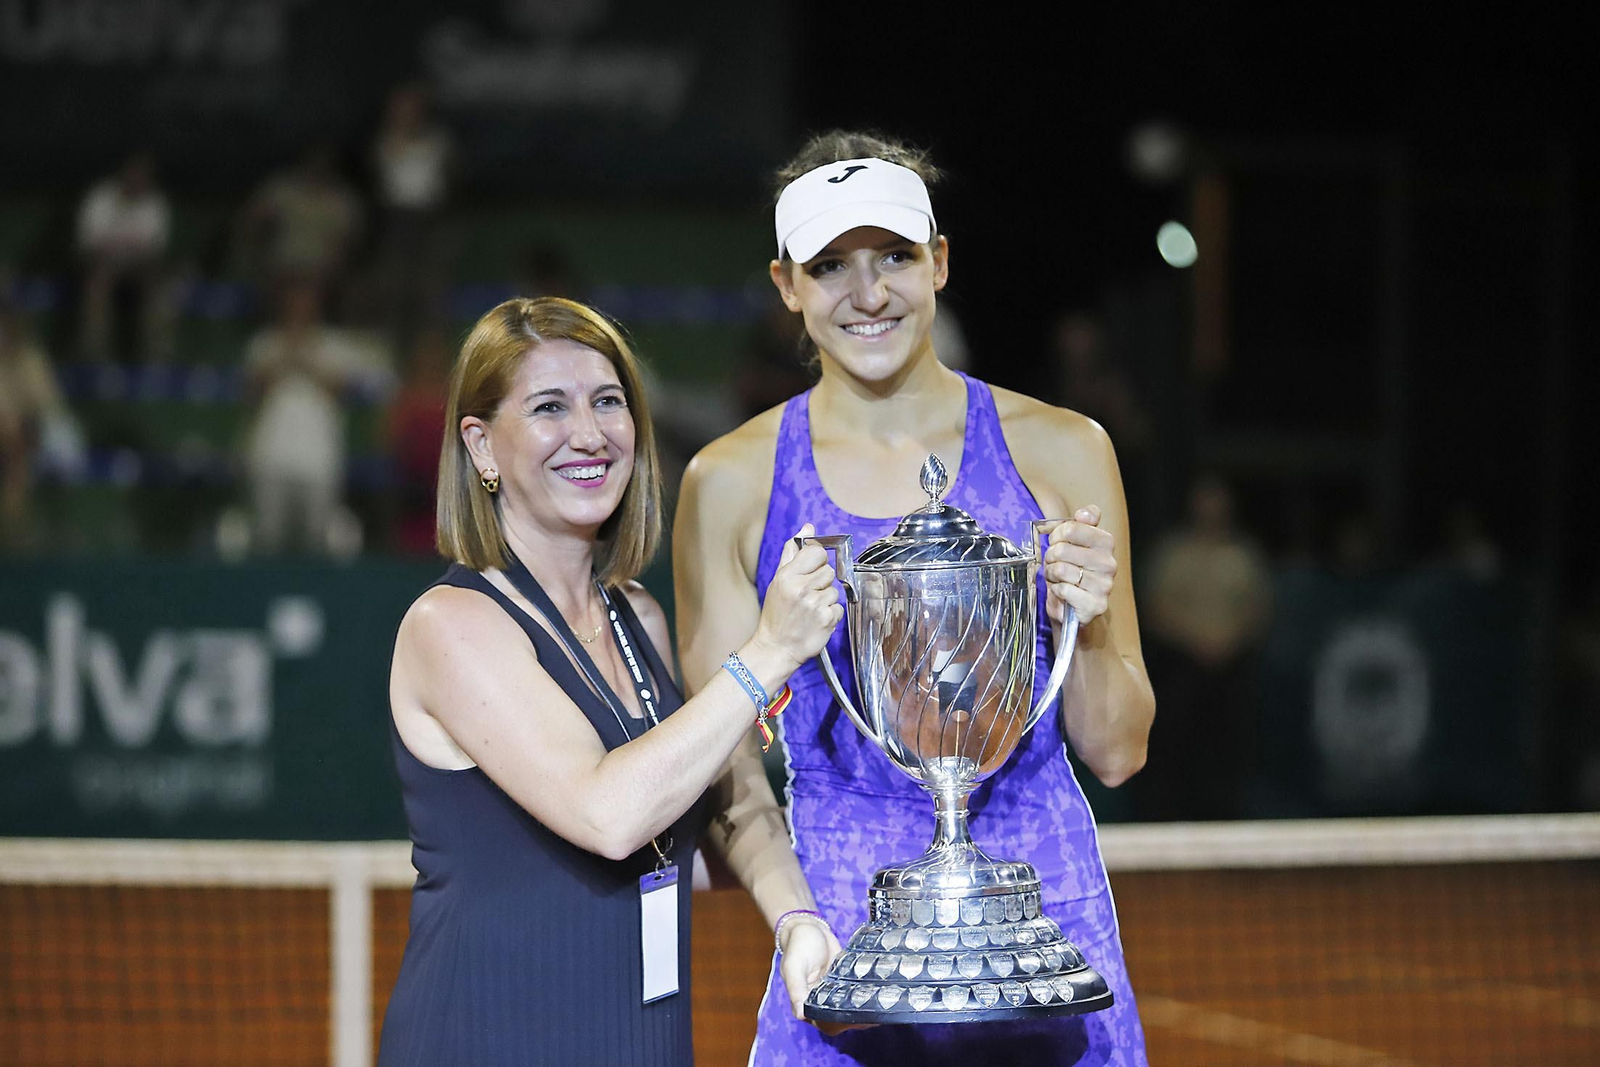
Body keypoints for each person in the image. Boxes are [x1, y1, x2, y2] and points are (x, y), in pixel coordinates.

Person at [674, 132, 1156, 1064]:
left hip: (1043, 899)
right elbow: (725, 770)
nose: (867, 294)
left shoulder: (1063, 449)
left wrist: (1085, 626)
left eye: (894, 256)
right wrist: (796, 921)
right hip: (845, 917)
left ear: (938, 262)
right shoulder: (728, 482)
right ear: (787, 286)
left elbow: (1119, 749)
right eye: (831, 266)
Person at [378, 296, 843, 1066]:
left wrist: (795, 915)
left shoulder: (638, 619)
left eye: (608, 402)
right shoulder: (450, 625)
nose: (589, 434)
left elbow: (722, 800)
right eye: (549, 407)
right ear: (482, 446)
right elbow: (610, 812)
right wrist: (767, 653)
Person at [76, 150, 172, 362]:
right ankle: (95, 361)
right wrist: (113, 260)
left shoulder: (155, 204)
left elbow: (156, 252)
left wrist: (129, 260)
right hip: (103, 270)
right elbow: (88, 248)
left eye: (143, 174)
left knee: (162, 289)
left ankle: (158, 362)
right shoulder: (100, 198)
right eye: (134, 172)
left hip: (139, 273)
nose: (138, 178)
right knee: (98, 285)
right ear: (124, 172)